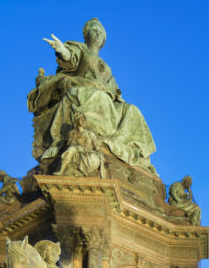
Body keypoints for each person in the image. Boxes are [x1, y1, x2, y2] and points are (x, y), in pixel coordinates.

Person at [28, 18, 156, 172]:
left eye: (101, 33)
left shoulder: (106, 66)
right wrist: (63, 51)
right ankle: (96, 138)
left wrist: (118, 99)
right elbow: (71, 58)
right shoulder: (81, 49)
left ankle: (131, 152)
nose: (98, 34)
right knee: (100, 98)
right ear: (86, 34)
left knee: (132, 110)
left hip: (107, 98)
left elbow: (114, 88)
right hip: (85, 90)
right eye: (94, 30)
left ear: (103, 41)